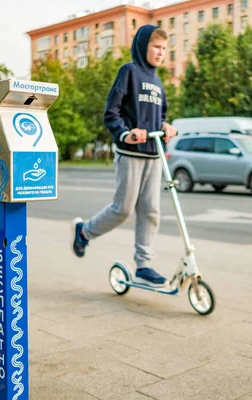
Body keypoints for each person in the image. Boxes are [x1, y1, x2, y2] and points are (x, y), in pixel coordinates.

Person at [71, 25, 177, 286]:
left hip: (153, 155)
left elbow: (161, 115)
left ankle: (144, 265)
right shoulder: (129, 72)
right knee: (123, 210)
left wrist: (165, 126)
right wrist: (126, 134)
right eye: (156, 47)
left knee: (151, 212)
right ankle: (84, 232)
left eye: (164, 48)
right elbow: (112, 113)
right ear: (143, 46)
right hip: (130, 152)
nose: (161, 53)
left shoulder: (158, 82)